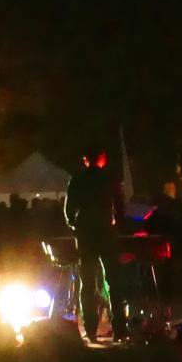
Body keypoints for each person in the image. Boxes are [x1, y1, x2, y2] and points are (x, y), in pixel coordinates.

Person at [65, 146, 120, 341]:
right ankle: (120, 328)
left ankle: (90, 331)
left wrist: (76, 225)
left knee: (87, 283)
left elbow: (69, 210)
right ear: (102, 158)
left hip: (86, 233)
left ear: (85, 159)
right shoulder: (108, 179)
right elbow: (120, 206)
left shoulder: (77, 179)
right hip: (105, 231)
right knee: (113, 280)